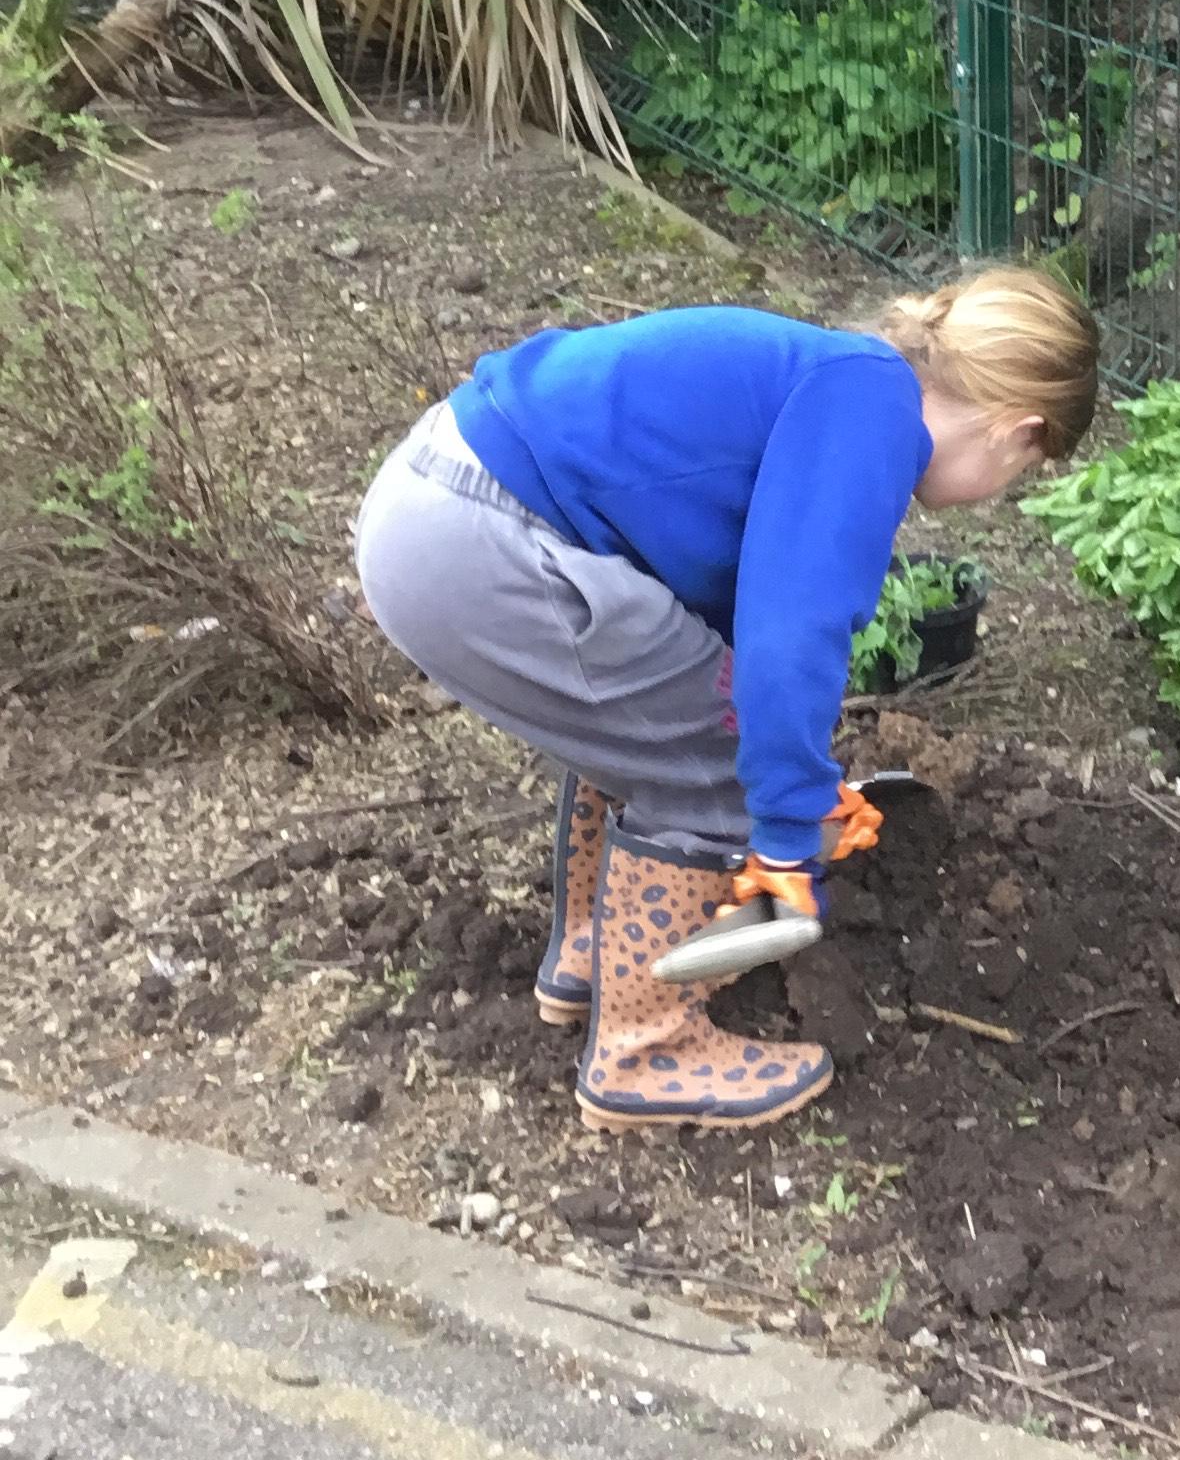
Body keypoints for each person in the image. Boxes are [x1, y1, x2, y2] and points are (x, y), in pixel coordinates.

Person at [355, 268, 1099, 1134]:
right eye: (1024, 471)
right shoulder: (873, 418)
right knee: (721, 762)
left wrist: (802, 781)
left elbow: (721, 613)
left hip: (440, 504)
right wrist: (783, 832)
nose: (1000, 491)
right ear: (1018, 430)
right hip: (482, 544)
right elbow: (792, 636)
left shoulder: (846, 381)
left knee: (665, 720)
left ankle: (596, 956)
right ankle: (644, 1049)